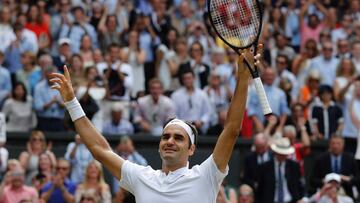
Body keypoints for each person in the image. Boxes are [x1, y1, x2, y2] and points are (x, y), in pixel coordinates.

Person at [48, 45, 259, 202]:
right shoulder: (142, 177)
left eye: (178, 138)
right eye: (166, 136)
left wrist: (242, 78)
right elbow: (99, 149)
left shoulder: (206, 176)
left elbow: (231, 130)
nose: (169, 141)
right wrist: (71, 102)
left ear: (191, 149)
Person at [310, 135, 360, 199]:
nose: (335, 146)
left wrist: (347, 179)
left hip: (346, 193)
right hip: (325, 193)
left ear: (343, 144)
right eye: (333, 143)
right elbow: (312, 180)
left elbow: (358, 178)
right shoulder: (321, 159)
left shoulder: (350, 158)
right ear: (329, 144)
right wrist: (325, 181)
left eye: (338, 143)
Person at [256, 137, 304, 203]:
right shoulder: (265, 167)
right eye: (280, 153)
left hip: (290, 200)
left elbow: (299, 185)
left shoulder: (294, 166)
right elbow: (260, 189)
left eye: (284, 153)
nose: (282, 155)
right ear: (276, 152)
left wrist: (301, 199)